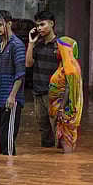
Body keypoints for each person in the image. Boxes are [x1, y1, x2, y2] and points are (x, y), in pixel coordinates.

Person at [0, 10, 26, 156]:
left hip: (11, 99)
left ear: (9, 24)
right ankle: (3, 174)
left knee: (8, 143)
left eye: (0, 25)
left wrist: (12, 96)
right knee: (2, 139)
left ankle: (9, 172)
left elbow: (20, 74)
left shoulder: (17, 45)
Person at [26, 10, 58, 148]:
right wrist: (31, 42)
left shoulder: (60, 45)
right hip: (38, 92)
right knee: (43, 127)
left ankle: (61, 157)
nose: (39, 28)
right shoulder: (37, 45)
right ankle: (47, 152)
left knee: (57, 126)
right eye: (37, 25)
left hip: (54, 93)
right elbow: (28, 63)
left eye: (42, 24)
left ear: (51, 24)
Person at [49, 37, 83, 153]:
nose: (55, 52)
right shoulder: (63, 65)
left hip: (65, 113)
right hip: (61, 111)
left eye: (56, 49)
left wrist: (62, 108)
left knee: (66, 146)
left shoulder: (70, 68)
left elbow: (69, 88)